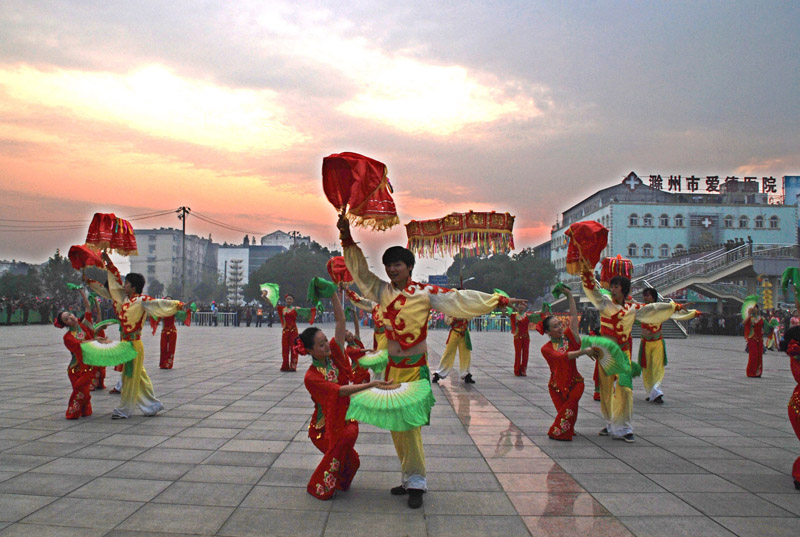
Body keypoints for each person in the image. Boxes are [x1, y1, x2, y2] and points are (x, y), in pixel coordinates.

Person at [338, 213, 526, 507]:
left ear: (409, 267)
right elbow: (361, 272)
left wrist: (500, 300)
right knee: (397, 428)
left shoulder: (426, 293)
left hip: (414, 371)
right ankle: (407, 476)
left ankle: (417, 483)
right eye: (388, 265)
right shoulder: (380, 291)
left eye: (397, 265)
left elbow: (461, 299)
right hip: (391, 371)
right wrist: (347, 239)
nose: (391, 269)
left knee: (410, 427)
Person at [300, 289, 390, 500]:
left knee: (352, 462)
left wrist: (332, 293)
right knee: (339, 454)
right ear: (310, 351)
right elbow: (339, 391)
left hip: (346, 416)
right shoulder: (311, 377)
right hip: (325, 428)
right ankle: (318, 486)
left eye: (325, 340)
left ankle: (338, 482)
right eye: (320, 344)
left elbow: (340, 322)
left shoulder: (334, 354)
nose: (326, 345)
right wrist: (373, 384)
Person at [581, 269, 684, 442]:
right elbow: (594, 292)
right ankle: (610, 422)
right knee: (606, 391)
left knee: (626, 389)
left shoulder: (632, 308)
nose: (612, 289)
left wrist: (673, 307)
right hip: (606, 354)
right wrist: (587, 277)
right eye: (611, 286)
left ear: (624, 289)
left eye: (616, 287)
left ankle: (625, 427)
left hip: (623, 353)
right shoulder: (605, 303)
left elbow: (653, 309)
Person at [85, 254, 186, 419]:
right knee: (139, 376)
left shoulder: (142, 300)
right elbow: (111, 285)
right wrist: (106, 264)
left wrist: (177, 305)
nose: (124, 285)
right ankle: (152, 405)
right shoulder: (124, 299)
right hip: (126, 343)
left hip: (134, 344)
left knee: (129, 376)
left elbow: (159, 303)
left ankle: (125, 409)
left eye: (127, 283)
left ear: (133, 287)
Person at [539, 286, 595, 440]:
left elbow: (573, 317)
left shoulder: (569, 338)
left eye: (559, 324)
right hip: (556, 387)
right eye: (555, 326)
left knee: (570, 406)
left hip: (575, 382)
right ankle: (568, 429)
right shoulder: (546, 349)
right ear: (548, 332)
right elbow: (562, 357)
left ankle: (557, 433)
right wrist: (584, 351)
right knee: (567, 413)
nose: (559, 328)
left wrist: (570, 296)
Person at [638, 288, 699, 404]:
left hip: (657, 343)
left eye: (647, 295)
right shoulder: (641, 309)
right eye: (644, 296)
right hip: (645, 343)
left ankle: (657, 391)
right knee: (647, 370)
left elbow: (673, 310)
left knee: (657, 368)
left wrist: (693, 312)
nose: (645, 298)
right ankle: (651, 392)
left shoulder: (660, 308)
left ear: (653, 297)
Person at [55, 287, 103, 419]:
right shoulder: (68, 337)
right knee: (80, 391)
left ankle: (84, 410)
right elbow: (80, 346)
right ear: (66, 324)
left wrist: (81, 291)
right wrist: (95, 340)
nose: (70, 318)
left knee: (84, 392)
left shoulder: (84, 325)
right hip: (76, 369)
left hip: (89, 366)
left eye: (69, 315)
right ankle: (72, 412)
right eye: (66, 319)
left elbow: (87, 307)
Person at [275, 294, 315, 372]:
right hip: (285, 331)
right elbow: (273, 304)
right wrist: (264, 297)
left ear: (292, 300)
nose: (289, 300)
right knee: (285, 349)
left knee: (294, 349)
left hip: (293, 331)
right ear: (285, 300)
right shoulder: (282, 309)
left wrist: (315, 309)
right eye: (287, 299)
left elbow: (306, 310)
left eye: (290, 299)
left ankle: (293, 366)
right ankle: (285, 366)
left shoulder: (296, 309)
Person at [431, 316, 474, 384]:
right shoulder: (451, 309)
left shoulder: (465, 307)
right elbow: (447, 321)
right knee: (448, 353)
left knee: (465, 354)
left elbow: (470, 316)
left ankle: (466, 374)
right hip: (454, 332)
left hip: (464, 333)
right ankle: (439, 373)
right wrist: (454, 318)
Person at [508, 304, 541, 377]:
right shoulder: (514, 315)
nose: (521, 307)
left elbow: (538, 315)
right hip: (517, 337)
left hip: (526, 337)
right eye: (520, 305)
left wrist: (544, 309)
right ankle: (517, 370)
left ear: (525, 307)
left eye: (523, 305)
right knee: (518, 353)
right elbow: (505, 312)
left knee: (525, 354)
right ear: (518, 306)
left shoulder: (528, 316)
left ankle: (523, 370)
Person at [743, 305, 764, 377]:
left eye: (756, 307)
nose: (755, 309)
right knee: (753, 355)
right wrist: (749, 315)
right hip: (752, 338)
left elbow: (766, 326)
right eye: (753, 308)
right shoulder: (750, 318)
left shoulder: (761, 318)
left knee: (759, 356)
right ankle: (751, 372)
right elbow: (744, 323)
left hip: (760, 339)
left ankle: (758, 372)